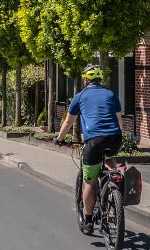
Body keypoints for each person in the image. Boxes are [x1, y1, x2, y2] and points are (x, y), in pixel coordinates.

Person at [53, 64, 123, 234]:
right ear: (100, 79)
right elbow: (119, 120)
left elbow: (68, 122)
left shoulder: (80, 96)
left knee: (89, 182)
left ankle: (88, 221)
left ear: (86, 79)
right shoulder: (111, 93)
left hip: (94, 141)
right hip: (115, 138)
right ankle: (116, 183)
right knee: (109, 157)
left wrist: (59, 139)